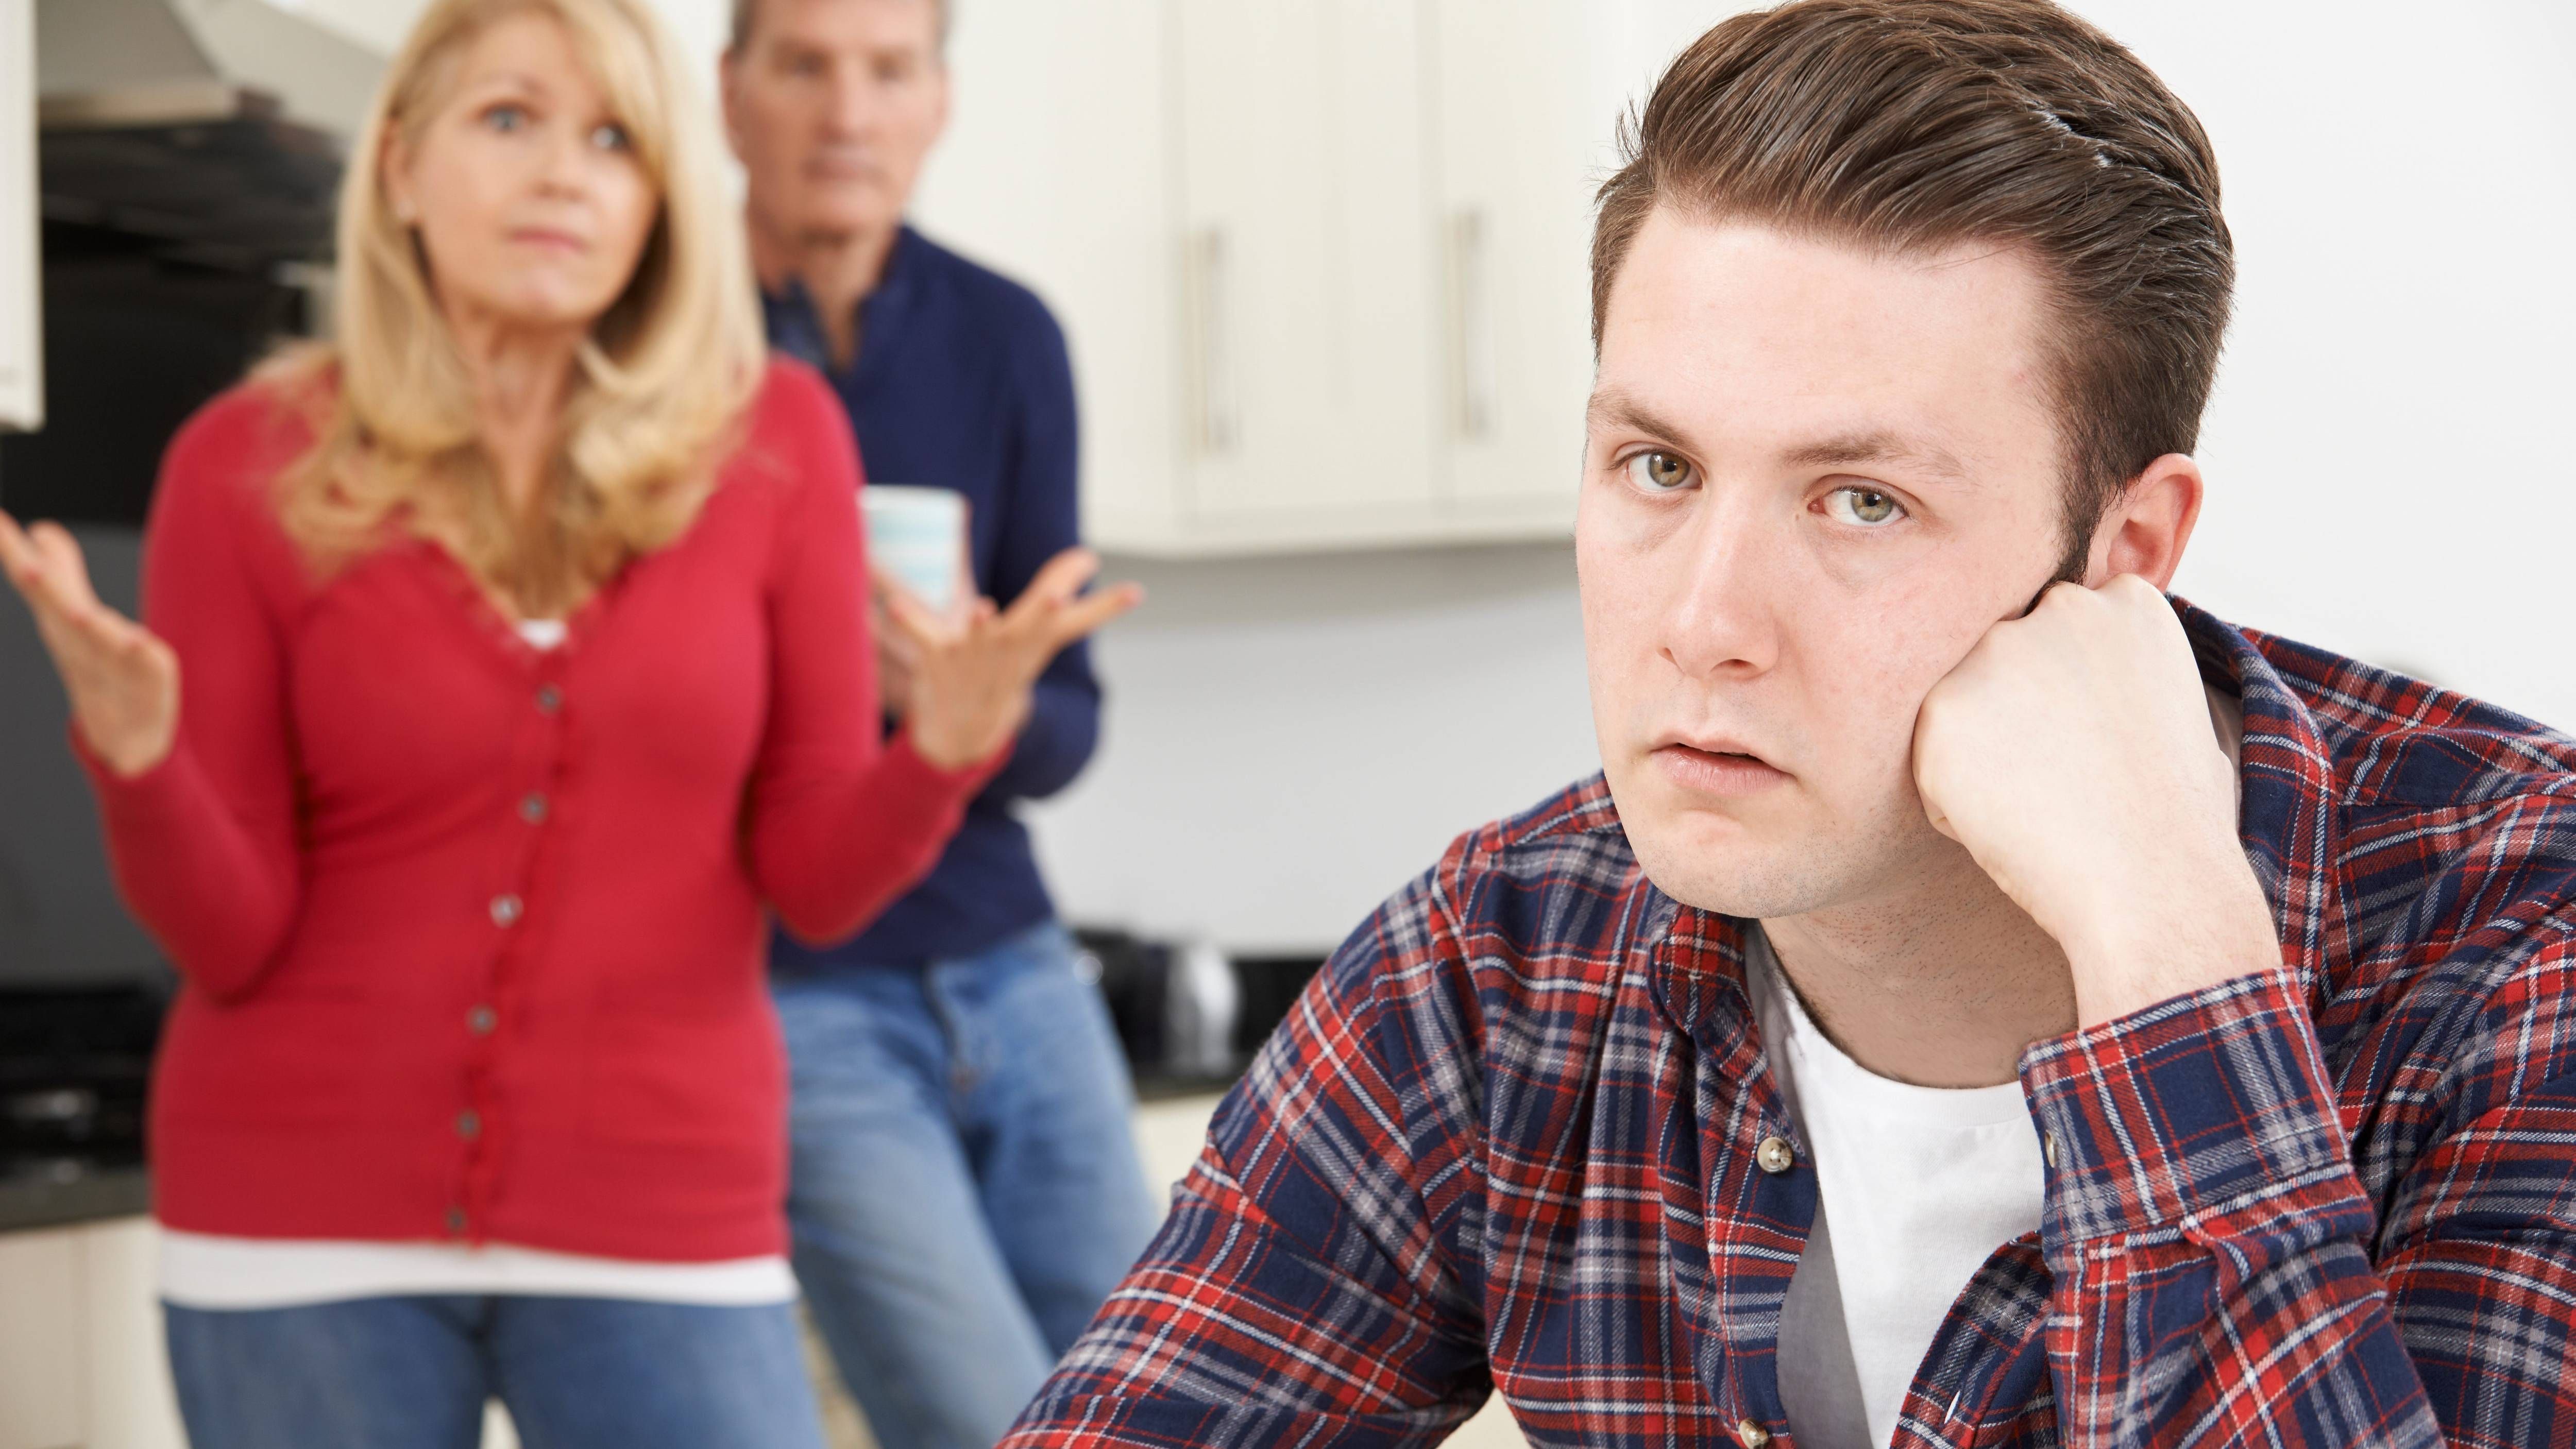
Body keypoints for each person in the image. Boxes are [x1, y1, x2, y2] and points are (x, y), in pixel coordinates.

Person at [1001, 3, 2576, 1447]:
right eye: (1661, 468)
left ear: (2126, 553)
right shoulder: (1508, 961)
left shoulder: (2522, 955)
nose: (1704, 623)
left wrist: (2163, 943)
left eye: (1861, 501)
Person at [0, 1, 1132, 1445]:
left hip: (662, 1207)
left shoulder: (776, 441)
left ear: (658, 199)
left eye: (611, 140)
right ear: (400, 167)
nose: (561, 175)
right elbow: (229, 937)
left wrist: (945, 751)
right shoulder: (245, 460)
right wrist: (140, 763)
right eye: (507, 120)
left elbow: (813, 879)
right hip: (296, 1224)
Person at [718, 3, 1162, 1446]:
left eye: (887, 70)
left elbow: (1070, 726)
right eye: (804, 66)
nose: (847, 112)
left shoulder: (1005, 338)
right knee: (986, 1423)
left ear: (936, 102)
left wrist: (956, 710)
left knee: (1166, 1408)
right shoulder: (658, 348)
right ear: (730, 96)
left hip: (1014, 964)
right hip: (800, 991)